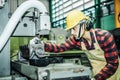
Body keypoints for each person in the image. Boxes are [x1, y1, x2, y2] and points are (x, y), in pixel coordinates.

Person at [34, 10, 119, 80]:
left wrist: (95, 78)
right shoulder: (77, 39)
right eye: (70, 29)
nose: (72, 32)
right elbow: (60, 47)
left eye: (74, 28)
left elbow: (113, 64)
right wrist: (41, 45)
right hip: (96, 72)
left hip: (112, 73)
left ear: (85, 25)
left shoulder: (104, 36)